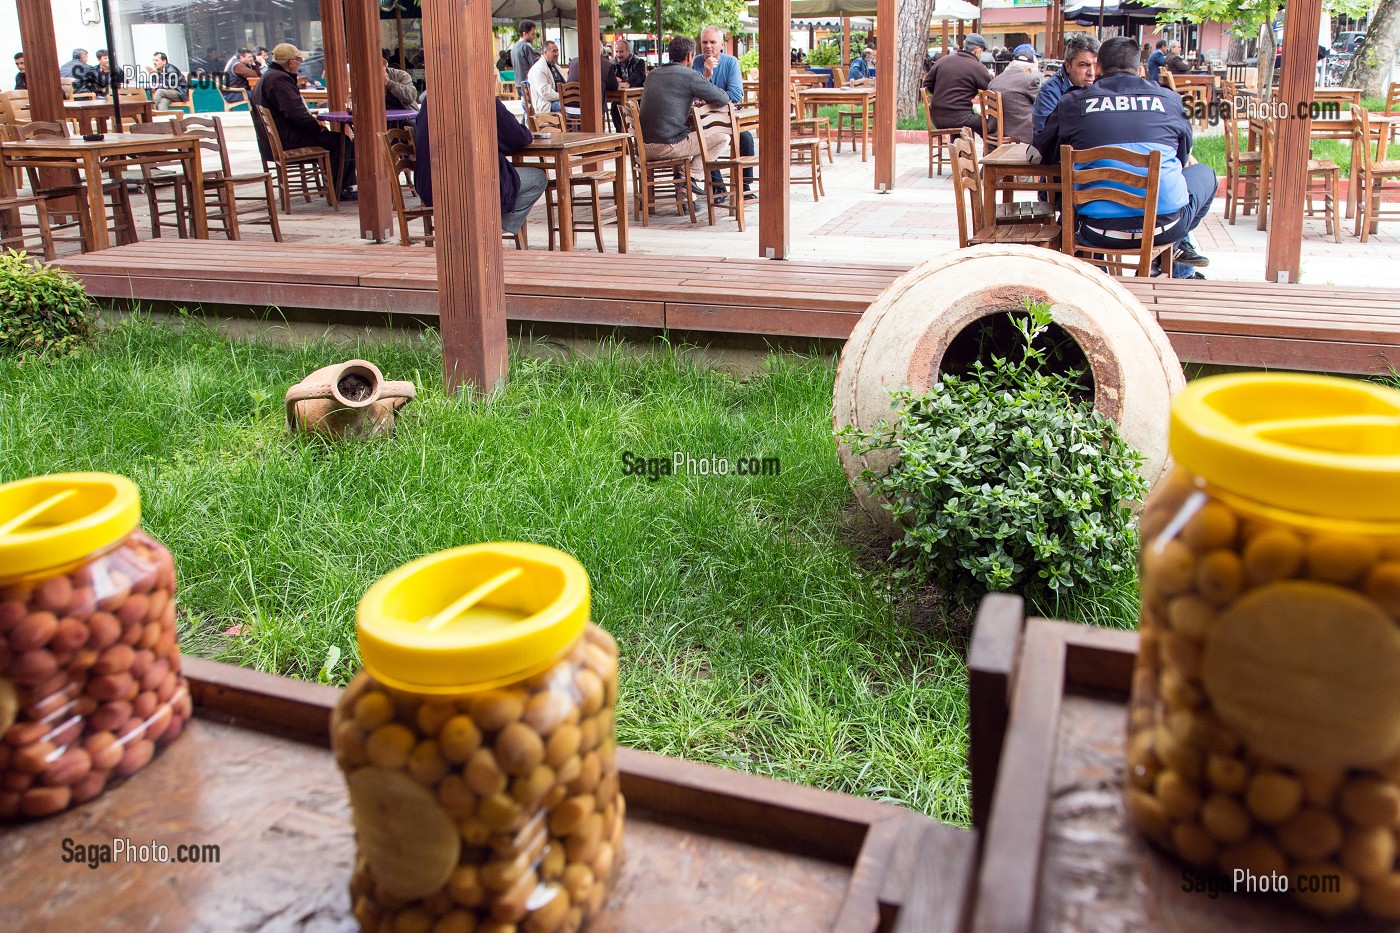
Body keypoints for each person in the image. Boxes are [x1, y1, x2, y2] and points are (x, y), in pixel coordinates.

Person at [1031, 36, 1215, 279]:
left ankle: (1098, 278)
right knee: (1206, 174)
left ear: (1098, 69)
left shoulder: (1073, 103)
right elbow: (1180, 159)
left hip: (1094, 230)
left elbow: (1045, 153)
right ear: (1139, 70)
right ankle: (1178, 246)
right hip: (1165, 228)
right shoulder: (1169, 100)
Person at [413, 94, 548, 238]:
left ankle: (478, 228)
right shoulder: (481, 96)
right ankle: (490, 231)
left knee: (502, 175)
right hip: (471, 187)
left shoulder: (430, 100)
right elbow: (518, 138)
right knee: (538, 178)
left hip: (430, 188)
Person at [251, 43, 356, 200]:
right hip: (288, 140)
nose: (300, 64)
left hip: (277, 139)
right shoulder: (280, 79)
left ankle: (338, 186)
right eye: (299, 60)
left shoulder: (268, 76)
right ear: (291, 62)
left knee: (337, 140)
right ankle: (339, 189)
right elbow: (297, 114)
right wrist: (318, 129)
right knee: (342, 141)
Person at [639, 36, 732, 199]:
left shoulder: (653, 74)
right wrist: (707, 75)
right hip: (668, 147)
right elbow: (722, 98)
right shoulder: (689, 75)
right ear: (690, 56)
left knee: (685, 136)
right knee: (722, 138)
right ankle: (690, 176)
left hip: (643, 147)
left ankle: (686, 196)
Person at [695, 25, 754, 200]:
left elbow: (736, 95)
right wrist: (706, 75)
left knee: (746, 138)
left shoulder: (730, 62)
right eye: (704, 42)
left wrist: (708, 100)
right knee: (705, 142)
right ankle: (718, 187)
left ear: (721, 44)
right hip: (704, 121)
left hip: (728, 119)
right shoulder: (696, 62)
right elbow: (693, 94)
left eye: (712, 42)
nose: (708, 46)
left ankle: (744, 184)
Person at [1031, 34, 1099, 137]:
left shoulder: (1104, 85)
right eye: (1084, 65)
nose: (1092, 73)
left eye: (1096, 65)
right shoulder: (1049, 92)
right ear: (1068, 66)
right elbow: (1045, 136)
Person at [923, 34, 990, 135]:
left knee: (963, 115)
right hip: (960, 118)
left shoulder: (943, 61)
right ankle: (991, 151)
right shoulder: (977, 67)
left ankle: (959, 149)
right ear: (978, 50)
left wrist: (941, 92)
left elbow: (927, 83)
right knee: (989, 126)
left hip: (936, 118)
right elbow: (991, 88)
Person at [988, 45, 1042, 143]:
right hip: (1020, 133)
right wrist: (1035, 72)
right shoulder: (1030, 80)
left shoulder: (996, 79)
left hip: (995, 131)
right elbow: (1043, 104)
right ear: (1031, 66)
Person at [526, 41, 564, 114]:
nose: (557, 54)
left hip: (558, 100)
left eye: (557, 50)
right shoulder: (538, 69)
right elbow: (545, 93)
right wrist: (563, 97)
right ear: (545, 52)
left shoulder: (556, 67)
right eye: (554, 51)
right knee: (574, 108)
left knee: (577, 105)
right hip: (546, 105)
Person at [511, 21, 540, 95]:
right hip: (527, 84)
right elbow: (536, 65)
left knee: (525, 105)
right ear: (524, 34)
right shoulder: (526, 46)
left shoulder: (514, 47)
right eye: (532, 34)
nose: (534, 37)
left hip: (518, 83)